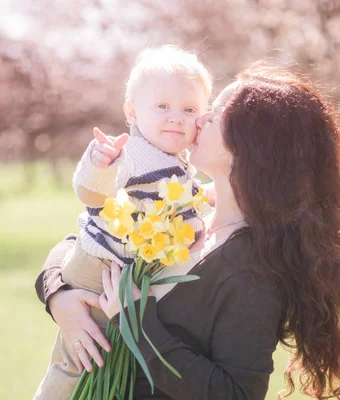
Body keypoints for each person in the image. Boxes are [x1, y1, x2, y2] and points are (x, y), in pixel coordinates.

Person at [35, 63, 340, 399]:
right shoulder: (192, 207)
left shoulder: (253, 271)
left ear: (248, 149)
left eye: (213, 116)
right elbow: (81, 239)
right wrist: (59, 295)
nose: (196, 119)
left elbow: (235, 393)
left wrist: (138, 324)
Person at [33, 45, 212, 399]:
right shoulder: (130, 152)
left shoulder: (177, 163)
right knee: (79, 358)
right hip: (96, 265)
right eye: (162, 106)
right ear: (132, 111)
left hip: (120, 273)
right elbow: (90, 193)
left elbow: (180, 206)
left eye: (188, 109)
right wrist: (100, 164)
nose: (176, 117)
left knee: (100, 358)